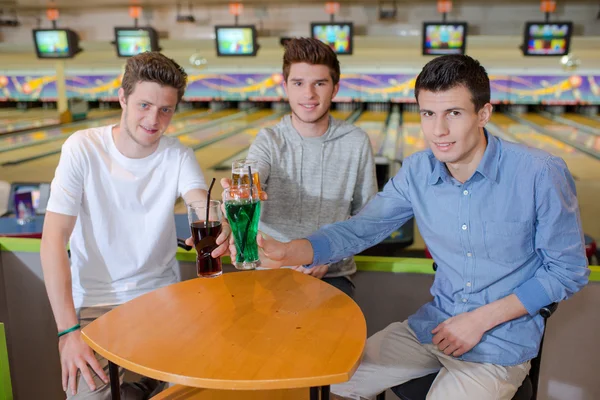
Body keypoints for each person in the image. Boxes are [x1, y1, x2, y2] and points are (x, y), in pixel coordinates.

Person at [252, 54, 590, 399]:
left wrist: (478, 320)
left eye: (453, 114)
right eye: (428, 114)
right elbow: (360, 229)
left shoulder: (539, 173)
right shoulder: (418, 171)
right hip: (433, 327)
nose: (438, 130)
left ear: (483, 114)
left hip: (499, 343)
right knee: (330, 379)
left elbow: (568, 271)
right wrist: (288, 250)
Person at [40, 52, 230, 399]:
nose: (153, 119)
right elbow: (53, 240)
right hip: (95, 308)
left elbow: (199, 199)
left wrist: (218, 220)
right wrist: (67, 332)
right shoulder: (82, 148)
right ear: (122, 98)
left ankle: (147, 382)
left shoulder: (178, 155)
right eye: (144, 105)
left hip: (163, 301)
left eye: (165, 110)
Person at [225, 37, 377, 297]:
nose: (309, 94)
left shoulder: (356, 142)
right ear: (286, 87)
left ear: (335, 88)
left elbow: (368, 219)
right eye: (298, 83)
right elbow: (253, 175)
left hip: (332, 274)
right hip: (271, 268)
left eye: (320, 83)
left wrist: (326, 256)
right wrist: (241, 191)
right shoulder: (269, 140)